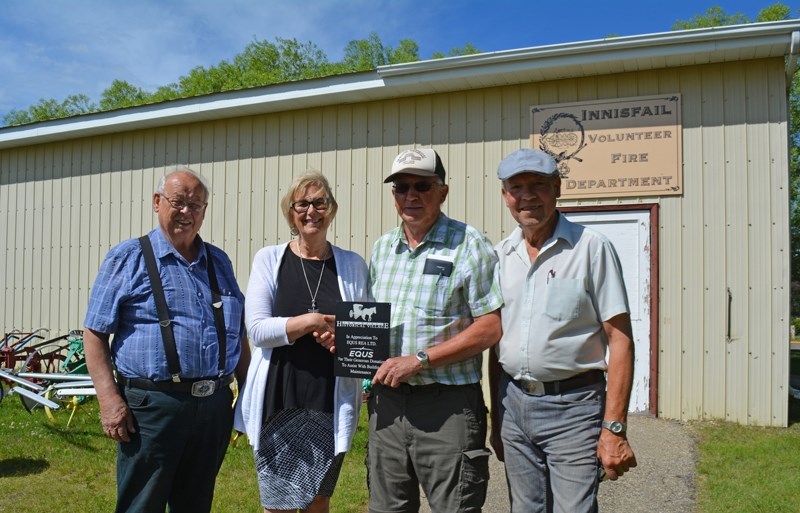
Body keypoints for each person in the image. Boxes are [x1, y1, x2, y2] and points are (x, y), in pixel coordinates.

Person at [83, 166, 250, 513]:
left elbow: (238, 332)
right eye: (179, 202)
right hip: (152, 408)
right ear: (157, 202)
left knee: (196, 503)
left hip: (214, 405)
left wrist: (246, 391)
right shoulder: (128, 257)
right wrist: (109, 401)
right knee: (141, 505)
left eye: (196, 205)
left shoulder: (219, 261)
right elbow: (95, 332)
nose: (187, 212)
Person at [488, 148, 638, 513]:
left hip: (575, 407)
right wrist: (497, 418)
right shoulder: (499, 255)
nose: (527, 196)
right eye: (516, 187)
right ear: (505, 196)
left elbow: (620, 341)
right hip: (514, 404)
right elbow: (495, 344)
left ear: (557, 188)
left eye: (538, 185)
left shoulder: (591, 248)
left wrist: (614, 428)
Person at [367, 148, 503, 513]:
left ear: (442, 192)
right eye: (401, 187)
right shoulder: (382, 250)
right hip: (388, 407)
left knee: (454, 506)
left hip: (449, 407)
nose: (411, 195)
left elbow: (490, 327)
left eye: (422, 186)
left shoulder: (469, 244)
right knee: (387, 508)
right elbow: (371, 326)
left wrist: (422, 360)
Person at [234, 171, 369, 513]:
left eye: (320, 202)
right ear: (291, 213)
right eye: (303, 204)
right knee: (277, 505)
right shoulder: (269, 259)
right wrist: (311, 322)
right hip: (279, 400)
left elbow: (365, 335)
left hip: (329, 399)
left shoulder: (352, 265)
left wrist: (343, 338)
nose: (312, 211)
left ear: (331, 209)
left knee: (318, 502)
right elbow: (258, 330)